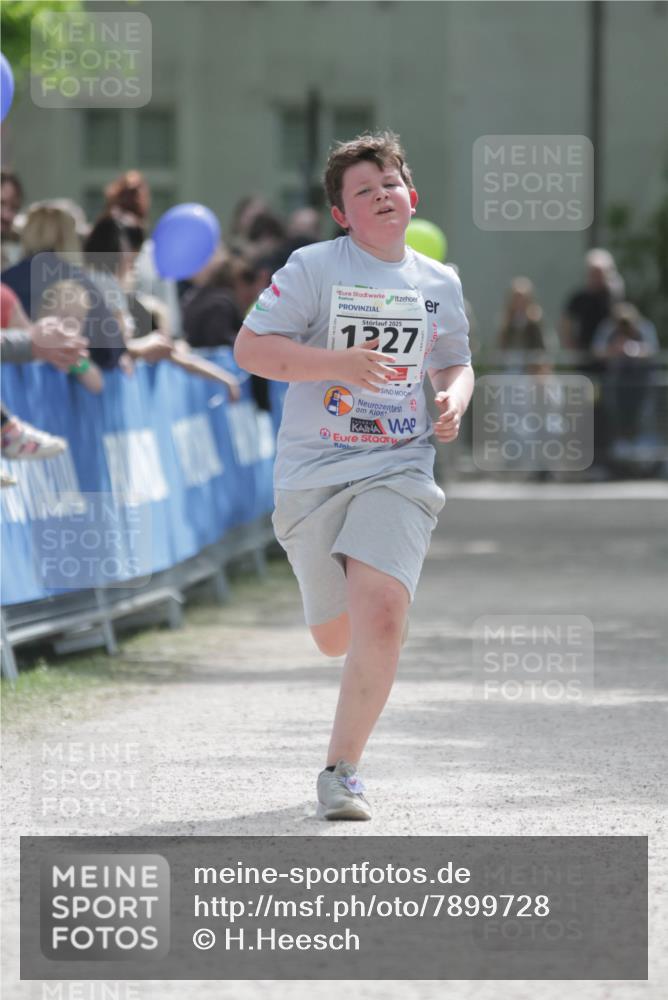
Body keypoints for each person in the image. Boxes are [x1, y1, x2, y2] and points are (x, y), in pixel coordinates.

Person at [234, 131, 474, 821]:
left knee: (382, 612)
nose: (381, 196)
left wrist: (452, 398)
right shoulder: (313, 268)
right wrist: (336, 364)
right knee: (334, 635)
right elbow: (250, 348)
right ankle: (335, 610)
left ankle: (342, 772)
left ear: (412, 196)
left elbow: (454, 360)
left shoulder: (439, 281)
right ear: (342, 213)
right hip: (314, 472)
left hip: (398, 463)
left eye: (390, 184)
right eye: (363, 191)